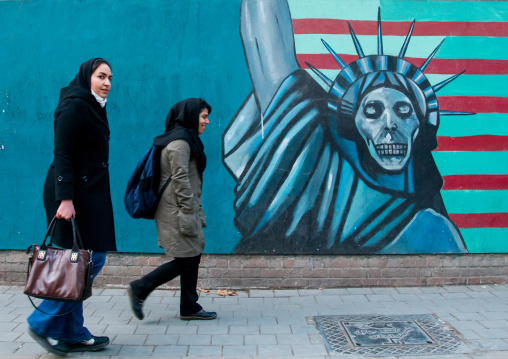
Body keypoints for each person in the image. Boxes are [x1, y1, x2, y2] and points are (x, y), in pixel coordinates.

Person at [222, 0, 468, 254]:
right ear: (353, 126)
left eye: (403, 110)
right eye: (372, 111)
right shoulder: (317, 170)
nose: (390, 124)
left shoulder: (433, 229)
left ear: (420, 126)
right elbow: (267, 49)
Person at [27, 58, 117, 355]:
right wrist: (65, 199)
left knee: (81, 262)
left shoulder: (91, 106)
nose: (107, 83)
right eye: (101, 76)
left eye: (110, 78)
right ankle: (43, 322)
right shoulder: (75, 104)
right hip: (69, 196)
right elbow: (62, 153)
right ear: (86, 77)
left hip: (86, 194)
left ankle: (73, 332)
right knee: (84, 262)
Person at [127, 98, 217, 321]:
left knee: (192, 255)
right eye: (203, 117)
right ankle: (140, 287)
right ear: (190, 116)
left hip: (182, 208)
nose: (207, 122)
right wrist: (189, 213)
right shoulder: (180, 143)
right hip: (176, 211)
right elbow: (181, 181)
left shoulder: (186, 139)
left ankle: (189, 306)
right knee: (186, 259)